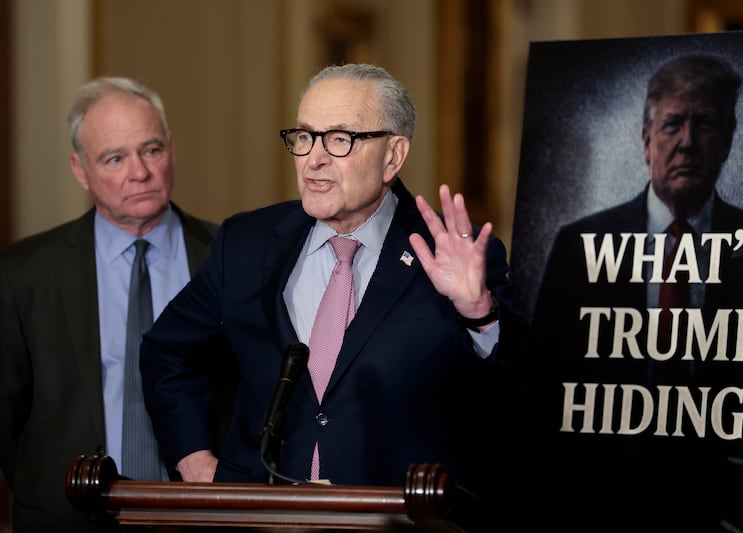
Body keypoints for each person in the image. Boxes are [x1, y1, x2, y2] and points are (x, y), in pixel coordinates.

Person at [139, 63, 528, 528]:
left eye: (339, 139)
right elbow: (166, 352)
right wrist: (194, 463)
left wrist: (477, 312)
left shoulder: (449, 252)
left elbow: (522, 397)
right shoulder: (246, 242)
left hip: (401, 520)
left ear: (393, 156)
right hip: (260, 518)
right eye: (304, 137)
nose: (314, 159)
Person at [529, 54, 743, 531]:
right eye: (673, 124)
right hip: (602, 509)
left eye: (706, 124)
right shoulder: (578, 246)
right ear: (645, 140)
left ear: (729, 140)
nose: (688, 143)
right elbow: (546, 392)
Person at [0, 77, 233, 532]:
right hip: (69, 517)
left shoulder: (230, 256)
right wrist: (47, 488)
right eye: (114, 157)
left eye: (151, 150)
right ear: (80, 169)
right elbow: (6, 419)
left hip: (207, 514)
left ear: (171, 149)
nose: (140, 172)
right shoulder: (23, 274)